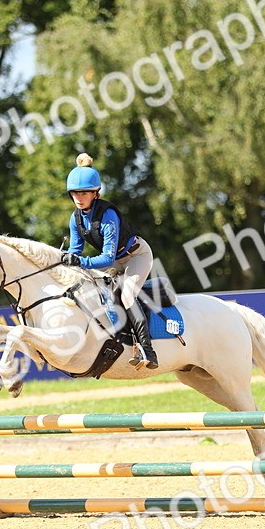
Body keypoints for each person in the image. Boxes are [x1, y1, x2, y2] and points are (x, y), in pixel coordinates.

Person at [60, 153, 158, 369]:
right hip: (115, 263)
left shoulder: (108, 215)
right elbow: (75, 251)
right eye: (75, 193)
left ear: (95, 194)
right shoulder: (75, 219)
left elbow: (106, 257)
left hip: (136, 256)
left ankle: (148, 350)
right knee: (92, 289)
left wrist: (80, 262)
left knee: (127, 293)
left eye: (84, 193)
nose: (79, 197)